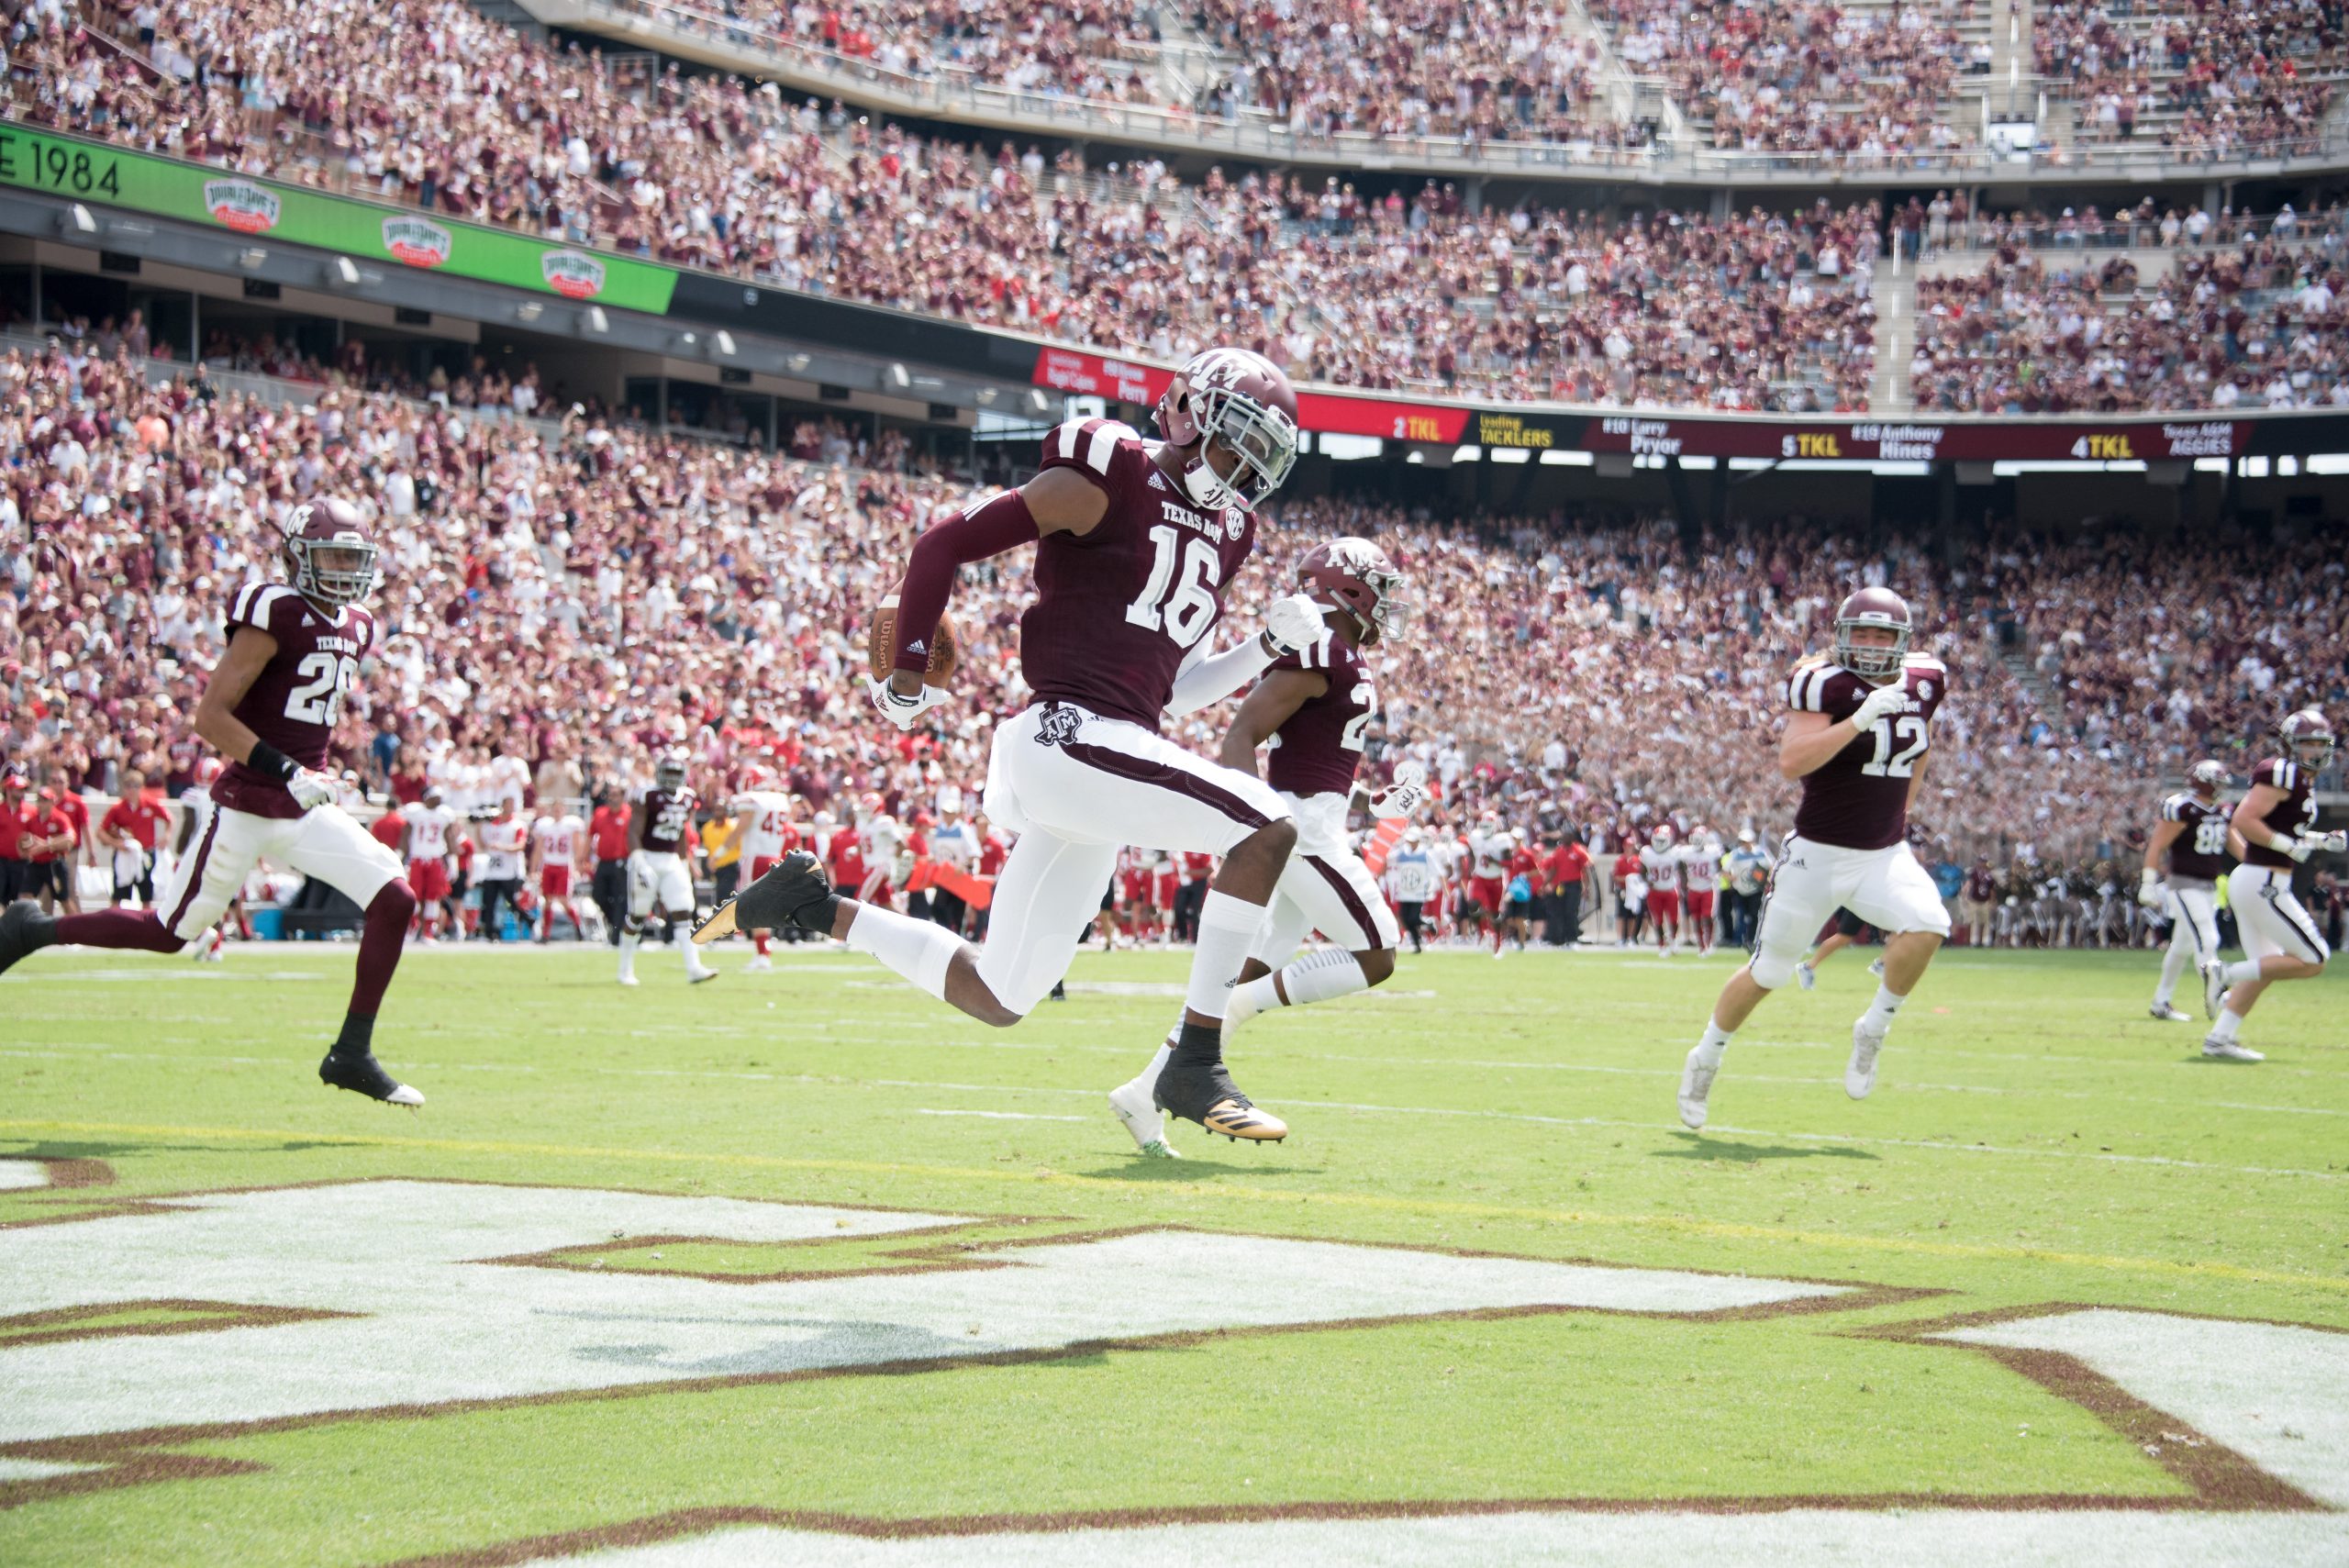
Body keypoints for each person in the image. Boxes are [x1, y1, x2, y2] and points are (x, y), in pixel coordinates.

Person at [699, 348, 1317, 1142]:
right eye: (1239, 440)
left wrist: (1264, 646)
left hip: (1109, 759)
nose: (1244, 467)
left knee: (1003, 993)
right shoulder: (1108, 470)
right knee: (1265, 825)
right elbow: (939, 546)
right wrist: (909, 671)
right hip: (1068, 737)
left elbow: (1176, 690)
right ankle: (1194, 1059)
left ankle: (812, 906)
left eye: (1261, 455)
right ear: (1189, 411)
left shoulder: (1233, 529)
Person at [0, 499, 423, 1106]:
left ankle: (351, 1051)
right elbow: (210, 716)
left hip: (305, 806)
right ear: (296, 555)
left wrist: (322, 773)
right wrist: (285, 767)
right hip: (247, 804)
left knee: (395, 897)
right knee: (171, 932)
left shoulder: (358, 622)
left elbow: (306, 717)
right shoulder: (272, 608)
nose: (341, 569)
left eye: (350, 558)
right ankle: (34, 929)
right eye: (330, 555)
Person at [1110, 538, 1414, 1158]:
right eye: (1377, 592)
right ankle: (1237, 1011)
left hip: (1311, 818)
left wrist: (1369, 805)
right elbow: (1240, 736)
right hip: (1300, 829)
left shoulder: (1337, 655)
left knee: (1245, 970)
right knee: (1377, 951)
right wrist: (1258, 823)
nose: (1385, 607)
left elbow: (1311, 766)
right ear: (1347, 591)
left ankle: (1143, 1090)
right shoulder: (1321, 650)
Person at [1679, 587, 1952, 1130]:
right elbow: (1791, 761)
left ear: (1903, 642)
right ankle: (1706, 1056)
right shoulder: (1823, 683)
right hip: (1817, 857)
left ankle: (1873, 1027)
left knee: (1929, 923)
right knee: (1771, 971)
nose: (1872, 646)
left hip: (1881, 853)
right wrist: (1857, 719)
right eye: (1863, 634)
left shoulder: (1927, 677)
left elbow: (1920, 748)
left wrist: (1902, 817)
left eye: (1883, 635)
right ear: (1842, 637)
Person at [2199, 711, 2340, 1062]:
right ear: (2290, 744)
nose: (2314, 751)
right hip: (2264, 880)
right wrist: (2289, 846)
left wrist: (2321, 840)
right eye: (2307, 743)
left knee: (2264, 968)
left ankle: (2219, 1039)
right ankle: (2223, 973)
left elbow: (2286, 831)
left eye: (2320, 744)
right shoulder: (2282, 771)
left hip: (2258, 879)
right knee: (2315, 958)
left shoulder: (2298, 780)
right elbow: (2245, 820)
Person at [2141, 759, 2233, 1022]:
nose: (2220, 787)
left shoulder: (2223, 810)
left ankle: (2161, 1002)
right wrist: (2148, 882)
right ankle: (2219, 993)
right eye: (2216, 782)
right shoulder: (2182, 808)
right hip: (2183, 884)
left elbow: (2234, 843)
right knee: (2208, 938)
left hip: (2208, 886)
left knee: (2181, 947)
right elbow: (2157, 846)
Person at [621, 750, 716, 986]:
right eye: (669, 772)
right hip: (648, 857)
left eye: (676, 772)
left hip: (672, 859)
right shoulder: (648, 795)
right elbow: (633, 830)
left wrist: (684, 862)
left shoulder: (687, 796)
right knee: (638, 914)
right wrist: (639, 861)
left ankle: (694, 967)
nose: (672, 777)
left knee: (684, 911)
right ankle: (625, 968)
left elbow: (682, 830)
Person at [727, 769, 797, 969]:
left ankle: (761, 952)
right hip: (775, 857)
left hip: (754, 857)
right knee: (762, 906)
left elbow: (741, 827)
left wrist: (720, 853)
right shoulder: (780, 799)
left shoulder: (752, 799)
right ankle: (763, 951)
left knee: (750, 905)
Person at [96, 768, 172, 907]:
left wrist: (166, 836)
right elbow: (100, 831)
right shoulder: (117, 808)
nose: (131, 790)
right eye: (128, 786)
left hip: (145, 853)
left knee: (146, 896)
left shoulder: (150, 804)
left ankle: (144, 926)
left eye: (135, 786)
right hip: (125, 854)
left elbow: (169, 818)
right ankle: (114, 925)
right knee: (118, 894)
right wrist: (115, 843)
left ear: (141, 787)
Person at [399, 786, 461, 943]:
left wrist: (452, 861)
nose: (438, 800)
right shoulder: (415, 812)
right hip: (417, 859)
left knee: (433, 898)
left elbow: (449, 837)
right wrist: (400, 856)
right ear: (426, 797)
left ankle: (428, 931)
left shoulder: (444, 814)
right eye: (435, 797)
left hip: (435, 859)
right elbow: (405, 836)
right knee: (414, 896)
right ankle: (412, 926)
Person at [529, 800, 591, 942]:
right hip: (548, 865)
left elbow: (577, 847)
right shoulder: (545, 826)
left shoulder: (570, 826)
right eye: (555, 809)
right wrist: (533, 869)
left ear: (564, 810)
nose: (557, 812)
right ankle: (546, 934)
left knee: (564, 900)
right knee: (548, 900)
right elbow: (538, 850)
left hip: (563, 866)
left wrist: (578, 865)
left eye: (559, 809)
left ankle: (578, 926)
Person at [473, 797, 529, 941]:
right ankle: (489, 932)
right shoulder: (492, 824)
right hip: (492, 871)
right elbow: (482, 844)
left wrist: (502, 847)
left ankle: (528, 920)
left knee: (512, 902)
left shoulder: (517, 825)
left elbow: (520, 846)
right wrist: (478, 826)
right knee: (489, 902)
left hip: (509, 871)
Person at [588, 789, 631, 945]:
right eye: (610, 795)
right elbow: (590, 834)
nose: (612, 798)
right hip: (604, 861)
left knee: (620, 898)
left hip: (623, 861)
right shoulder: (600, 813)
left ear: (622, 797)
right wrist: (583, 858)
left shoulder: (629, 814)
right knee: (598, 895)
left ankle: (617, 934)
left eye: (615, 795)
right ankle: (615, 923)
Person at [1386, 826, 1436, 953]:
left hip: (1418, 892)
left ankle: (1428, 924)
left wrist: (1432, 887)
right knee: (1405, 918)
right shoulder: (1402, 852)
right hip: (1404, 892)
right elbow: (1389, 858)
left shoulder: (1426, 853)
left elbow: (1435, 871)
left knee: (1413, 918)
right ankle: (1417, 944)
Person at [1721, 828, 1773, 949]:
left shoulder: (1761, 853)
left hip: (1756, 890)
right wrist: (1731, 877)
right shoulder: (1736, 854)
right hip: (1740, 890)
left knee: (1754, 915)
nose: (1744, 844)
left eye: (1746, 841)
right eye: (1743, 842)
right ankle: (1741, 939)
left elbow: (1771, 866)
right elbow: (1725, 871)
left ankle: (1751, 939)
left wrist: (1767, 879)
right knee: (1742, 915)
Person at [1639, 825, 1683, 954]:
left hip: (1670, 889)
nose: (1659, 843)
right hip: (1655, 891)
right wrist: (1647, 881)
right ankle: (1661, 945)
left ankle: (1673, 940)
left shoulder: (1674, 853)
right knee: (1657, 920)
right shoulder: (1647, 853)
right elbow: (1642, 872)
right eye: (1657, 840)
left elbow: (1682, 870)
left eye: (1662, 841)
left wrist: (1684, 886)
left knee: (1674, 919)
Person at [1543, 830, 1589, 947]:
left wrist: (1586, 887)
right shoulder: (1558, 851)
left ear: (1571, 837)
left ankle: (1572, 938)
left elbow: (1584, 870)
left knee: (1571, 911)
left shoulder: (1579, 851)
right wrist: (1545, 884)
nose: (1564, 838)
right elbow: (1553, 869)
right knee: (1561, 911)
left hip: (1574, 884)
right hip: (1561, 885)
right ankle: (1561, 938)